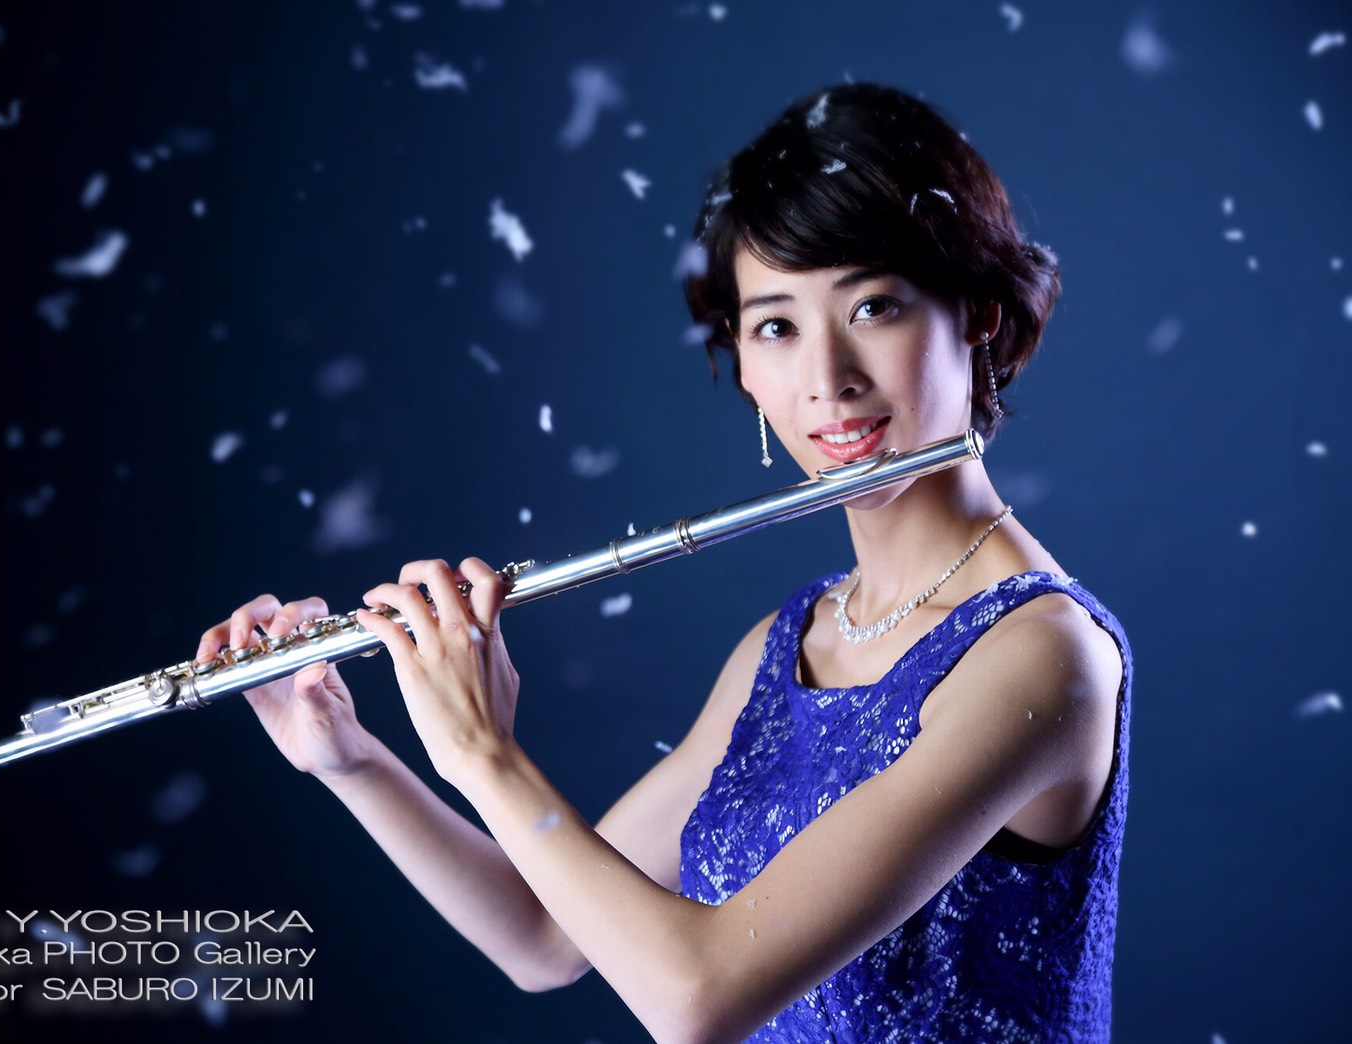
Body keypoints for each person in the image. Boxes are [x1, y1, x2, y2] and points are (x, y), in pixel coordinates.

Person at [195, 82, 1132, 1043]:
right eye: (776, 326)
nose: (827, 380)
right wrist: (352, 760)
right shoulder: (788, 645)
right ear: (744, 361)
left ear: (978, 315)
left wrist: (482, 751)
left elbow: (699, 998)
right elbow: (543, 939)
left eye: (875, 306)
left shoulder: (1044, 657)